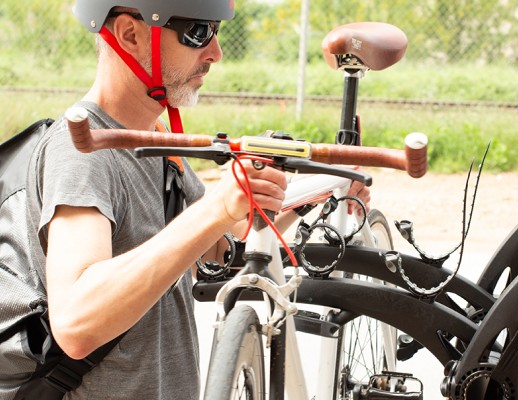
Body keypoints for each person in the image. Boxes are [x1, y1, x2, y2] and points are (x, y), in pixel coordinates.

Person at [24, 0, 365, 398]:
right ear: (130, 35)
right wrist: (217, 205)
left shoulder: (157, 144)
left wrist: (310, 193)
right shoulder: (81, 152)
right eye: (197, 32)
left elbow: (221, 245)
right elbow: (77, 322)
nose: (216, 53)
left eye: (216, 31)